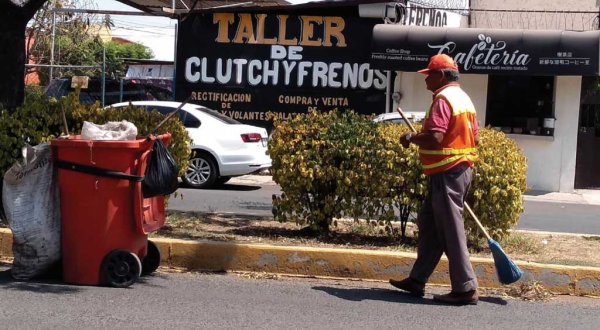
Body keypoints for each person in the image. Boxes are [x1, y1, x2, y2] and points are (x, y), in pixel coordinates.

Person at [389, 54, 480, 305]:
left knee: (451, 231)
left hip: (446, 173)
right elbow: (476, 137)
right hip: (457, 172)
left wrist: (410, 139)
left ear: (441, 76)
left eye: (429, 74)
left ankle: (466, 289)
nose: (426, 79)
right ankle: (417, 279)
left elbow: (436, 137)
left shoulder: (443, 99)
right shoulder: (465, 99)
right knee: (430, 225)